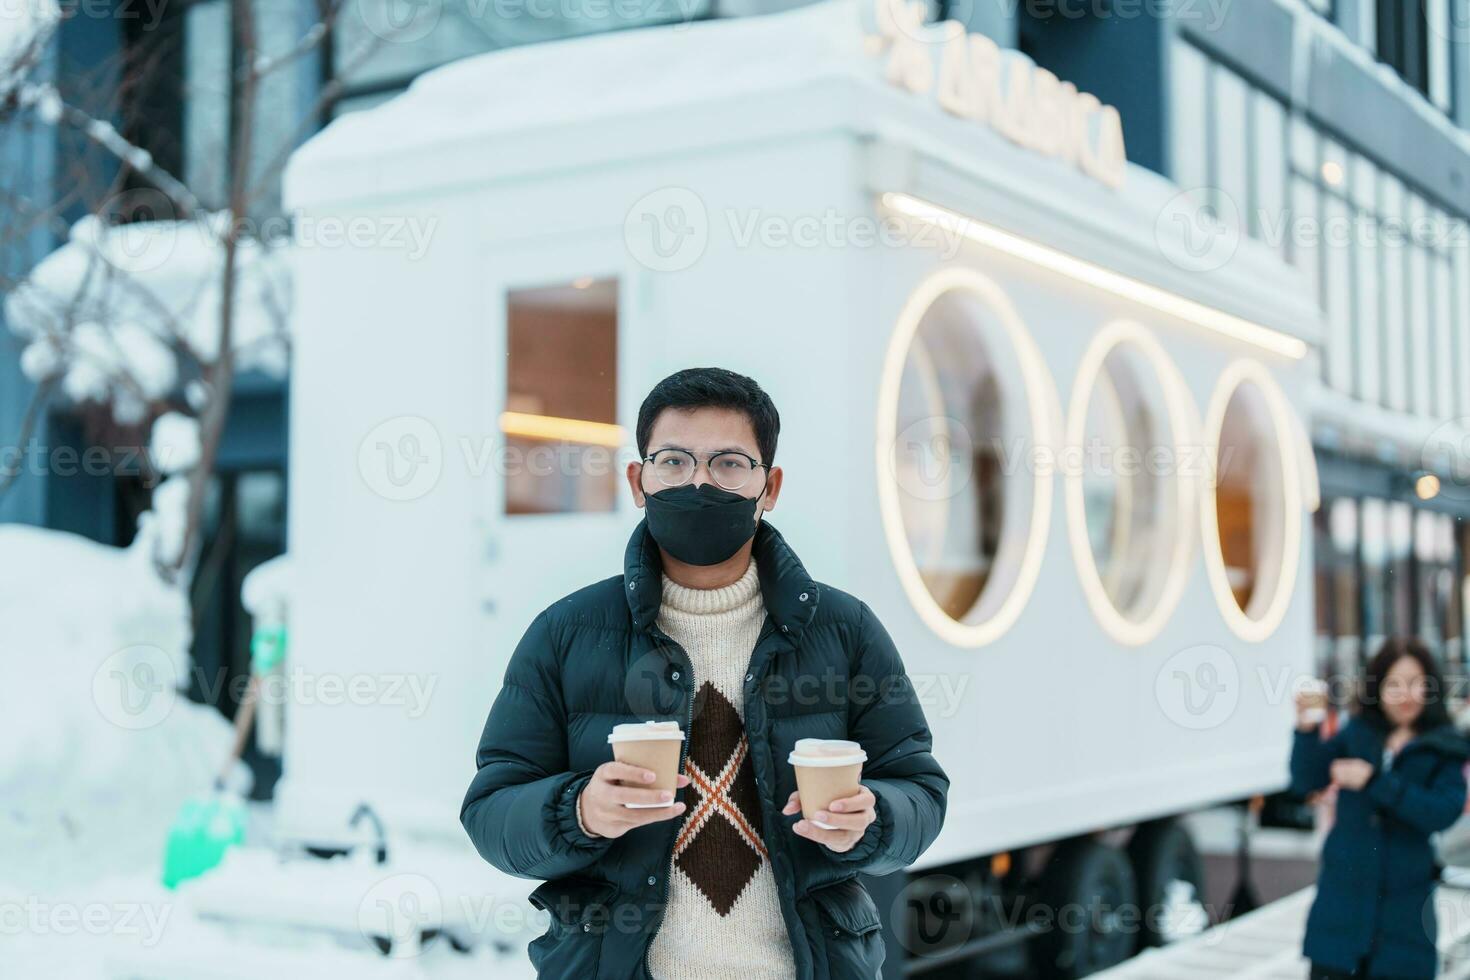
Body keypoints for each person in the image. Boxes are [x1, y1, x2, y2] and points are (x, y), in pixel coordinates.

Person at [461, 367, 949, 979]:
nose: (699, 481)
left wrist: (876, 817)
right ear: (638, 481)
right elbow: (491, 812)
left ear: (768, 487)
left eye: (728, 463)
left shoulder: (844, 631)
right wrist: (578, 811)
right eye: (673, 461)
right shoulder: (567, 633)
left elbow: (920, 791)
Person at [1290, 636, 1470, 980]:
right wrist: (1306, 728)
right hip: (1339, 921)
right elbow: (1306, 780)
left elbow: (1441, 811)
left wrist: (1375, 781)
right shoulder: (1358, 734)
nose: (1406, 694)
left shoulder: (1444, 745)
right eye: (1395, 684)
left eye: (1416, 683)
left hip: (1404, 927)